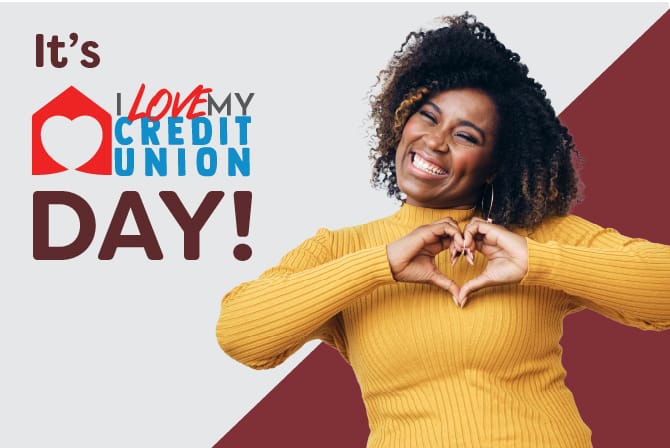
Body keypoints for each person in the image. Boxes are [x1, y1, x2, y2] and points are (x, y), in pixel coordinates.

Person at [216, 12, 670, 447]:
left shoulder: (533, 237)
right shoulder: (344, 249)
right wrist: (381, 264)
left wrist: (539, 262)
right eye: (428, 117)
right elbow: (241, 335)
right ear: (401, 120)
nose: (435, 141)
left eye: (466, 136)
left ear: (494, 168)